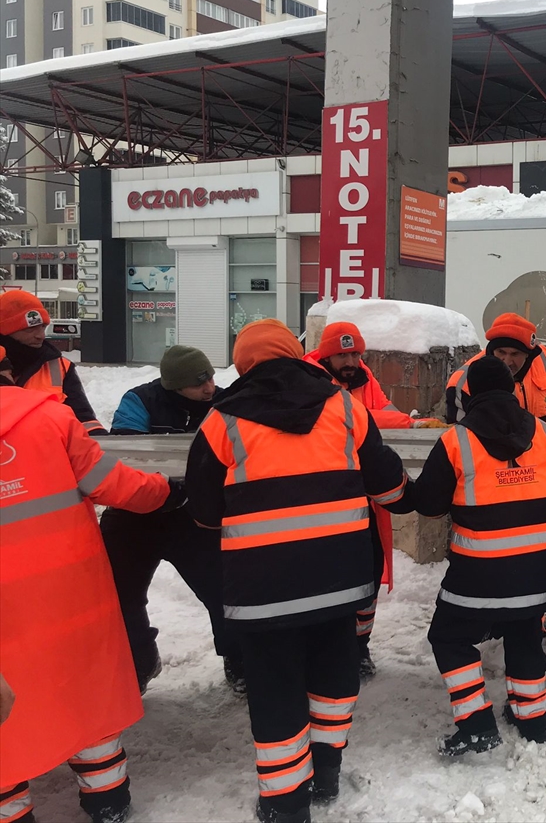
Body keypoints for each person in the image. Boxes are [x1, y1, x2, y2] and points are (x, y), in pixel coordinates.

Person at [185, 319, 410, 823]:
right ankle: (326, 774)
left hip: (263, 590)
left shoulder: (222, 421)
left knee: (275, 692)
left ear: (243, 364)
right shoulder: (346, 407)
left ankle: (286, 802)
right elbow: (387, 482)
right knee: (335, 675)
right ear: (297, 354)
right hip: (339, 580)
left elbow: (203, 513)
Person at [0, 347, 183, 823]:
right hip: (69, 595)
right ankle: (108, 804)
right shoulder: (52, 419)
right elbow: (113, 484)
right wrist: (166, 490)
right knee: (83, 696)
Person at [401, 357, 546, 755]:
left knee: (448, 638)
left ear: (470, 395)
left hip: (477, 574)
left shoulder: (455, 441)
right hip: (535, 572)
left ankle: (476, 723)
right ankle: (533, 721)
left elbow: (428, 506)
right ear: (514, 391)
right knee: (525, 637)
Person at [101, 345, 244, 694]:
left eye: (210, 377)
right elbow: (132, 456)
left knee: (225, 592)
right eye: (199, 384)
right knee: (120, 597)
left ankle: (239, 663)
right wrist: (175, 485)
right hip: (133, 518)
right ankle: (139, 662)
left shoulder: (226, 404)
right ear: (173, 386)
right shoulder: (139, 401)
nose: (210, 387)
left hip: (195, 519)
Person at [303, 321, 419, 677]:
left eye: (355, 353)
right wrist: (402, 422)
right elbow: (369, 419)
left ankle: (359, 647)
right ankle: (324, 651)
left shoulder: (365, 378)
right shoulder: (307, 379)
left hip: (364, 499)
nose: (351, 360)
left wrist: (405, 422)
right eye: (342, 354)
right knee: (323, 581)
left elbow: (385, 412)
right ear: (325, 354)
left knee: (368, 574)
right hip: (321, 502)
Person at [445, 313, 546, 424]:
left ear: (528, 354)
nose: (507, 361)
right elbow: (461, 437)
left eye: (515, 354)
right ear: (490, 350)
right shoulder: (462, 383)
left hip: (541, 456)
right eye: (501, 352)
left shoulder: (543, 357)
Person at [0, 290, 105, 435]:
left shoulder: (60, 367)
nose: (40, 336)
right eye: (30, 329)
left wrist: (100, 440)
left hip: (47, 452)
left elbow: (83, 420)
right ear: (5, 331)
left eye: (43, 327)